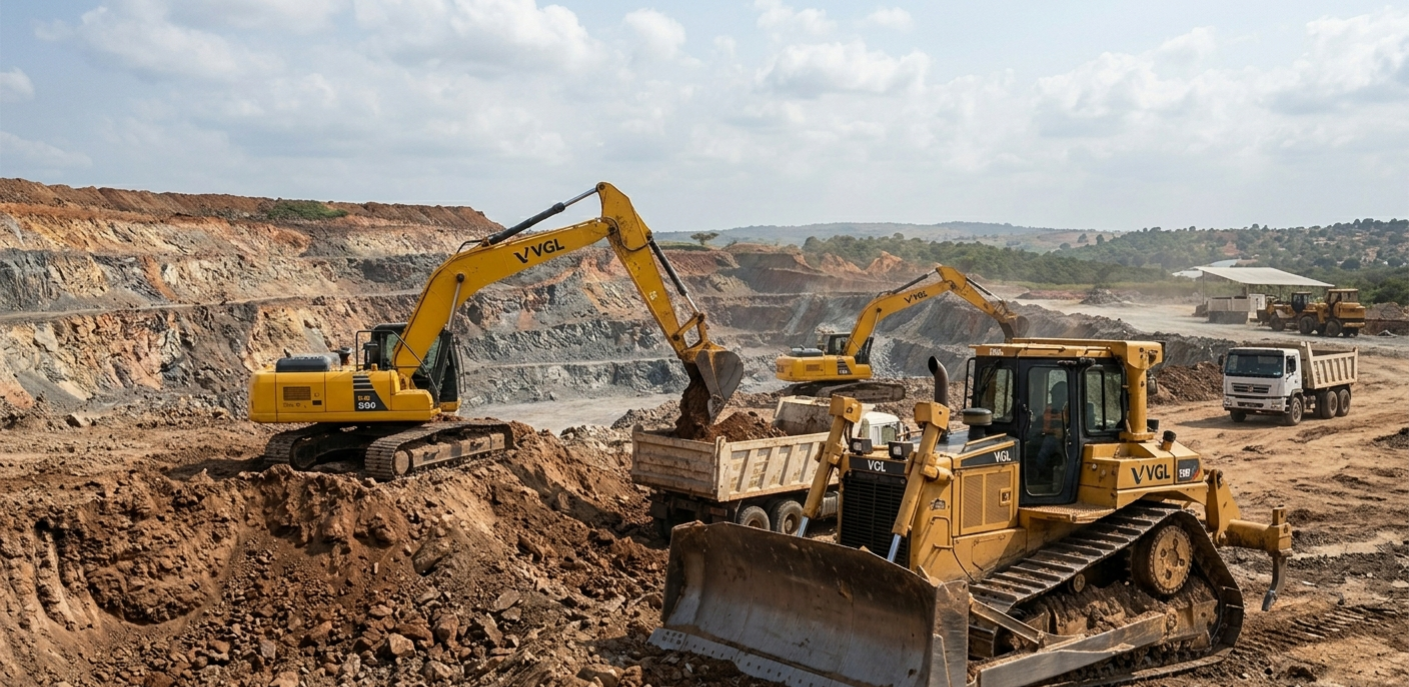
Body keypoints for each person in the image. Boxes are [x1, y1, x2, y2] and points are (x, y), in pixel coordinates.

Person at [1035, 381, 1068, 480]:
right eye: (1053, 394)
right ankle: (1040, 474)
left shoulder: (1070, 409)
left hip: (1066, 438)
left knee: (1044, 453)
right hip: (1049, 436)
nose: (1055, 397)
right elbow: (1045, 425)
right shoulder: (1049, 408)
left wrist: (1063, 432)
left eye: (1057, 394)